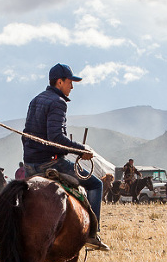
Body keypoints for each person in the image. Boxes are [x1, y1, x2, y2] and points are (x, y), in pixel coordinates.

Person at [22, 63, 107, 250]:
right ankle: (92, 234)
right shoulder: (57, 102)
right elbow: (55, 138)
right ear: (59, 82)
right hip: (50, 163)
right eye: (70, 82)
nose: (72, 87)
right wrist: (81, 150)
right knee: (95, 184)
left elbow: (26, 134)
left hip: (30, 165)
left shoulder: (35, 100)